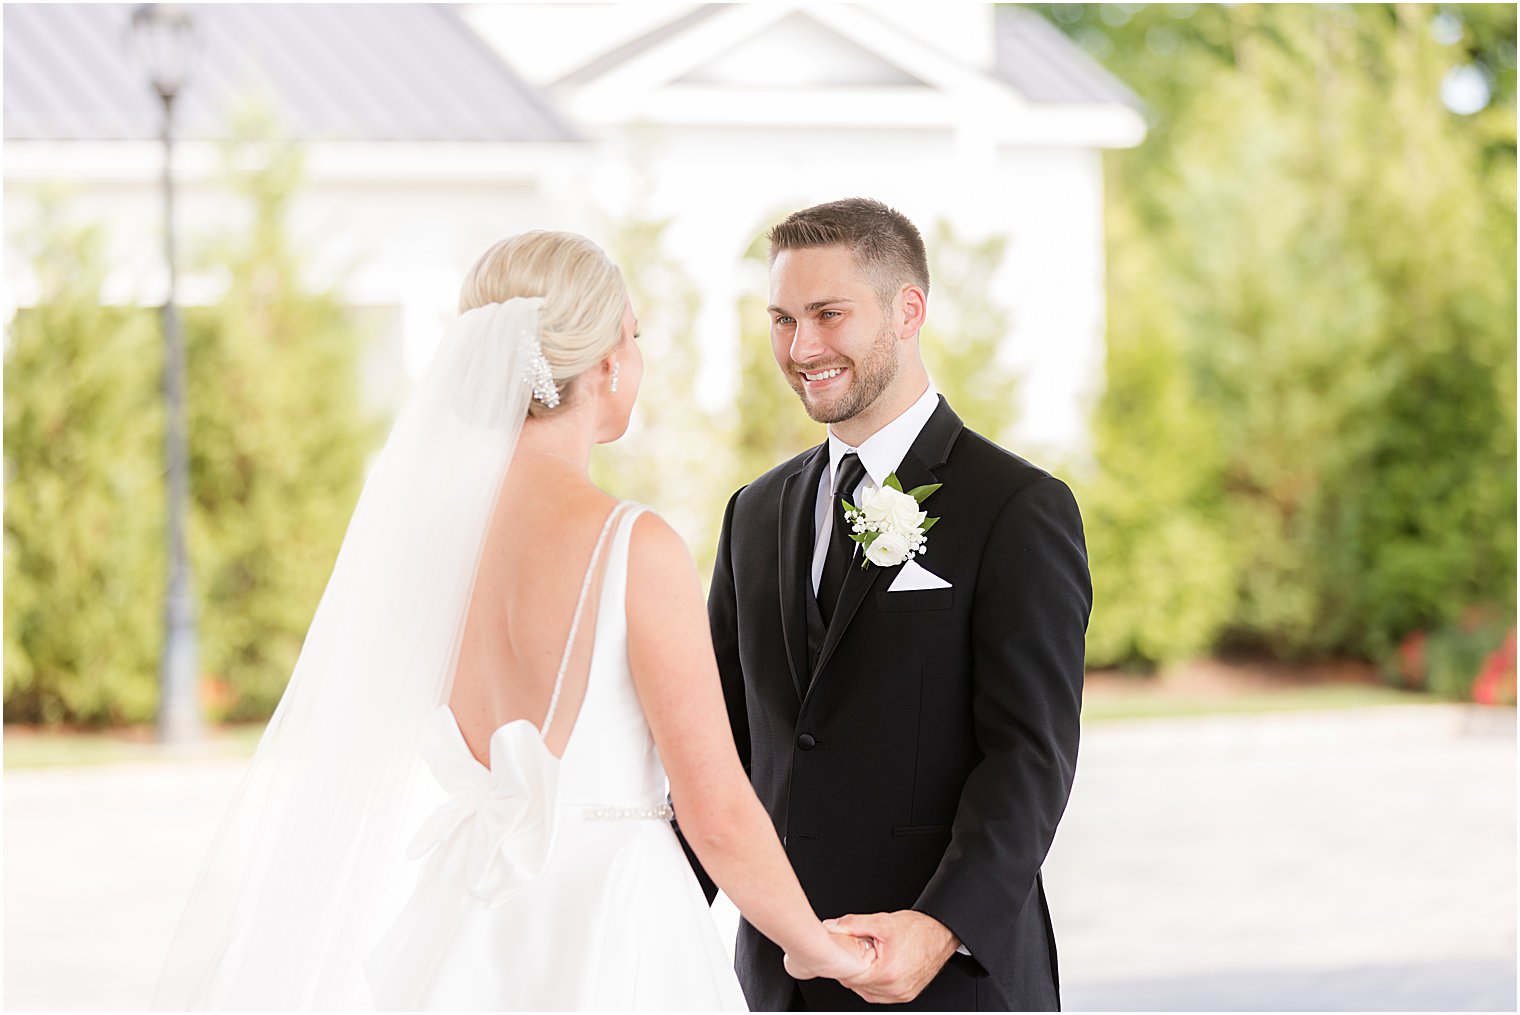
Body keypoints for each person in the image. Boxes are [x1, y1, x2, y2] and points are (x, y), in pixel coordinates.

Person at [154, 231, 872, 1010]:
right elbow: (718, 812)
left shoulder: (428, 544)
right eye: (633, 335)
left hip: (472, 925)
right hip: (611, 921)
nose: (636, 357)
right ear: (603, 362)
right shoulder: (633, 544)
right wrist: (825, 949)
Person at [688, 198, 1092, 1010]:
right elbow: (721, 741)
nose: (801, 348)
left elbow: (1030, 759)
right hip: (780, 978)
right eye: (782, 319)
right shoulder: (754, 513)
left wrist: (938, 927)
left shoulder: (1016, 507)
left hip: (948, 978)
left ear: (908, 310)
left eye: (828, 314)